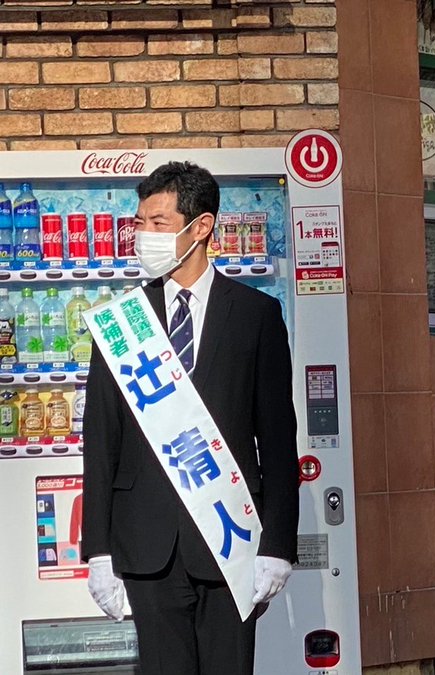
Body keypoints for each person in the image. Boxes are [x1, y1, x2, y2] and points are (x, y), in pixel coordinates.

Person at [82, 161, 299, 675]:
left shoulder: (255, 315)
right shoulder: (122, 322)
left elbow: (277, 440)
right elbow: (101, 441)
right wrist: (98, 552)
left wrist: (278, 546)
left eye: (159, 223)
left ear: (200, 227)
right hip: (145, 546)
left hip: (230, 541)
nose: (144, 235)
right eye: (140, 223)